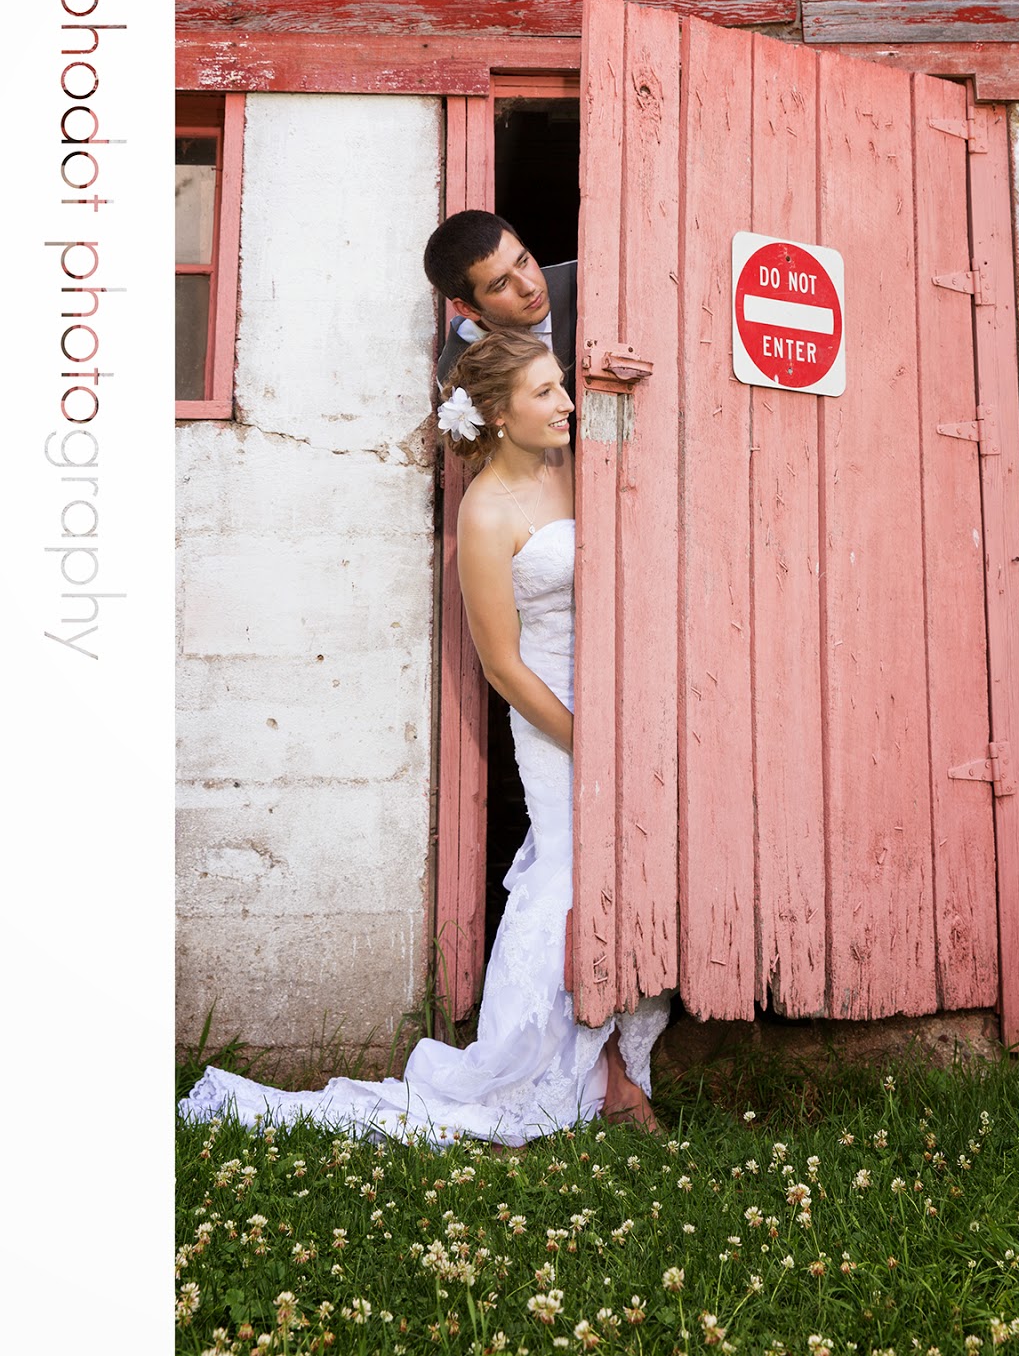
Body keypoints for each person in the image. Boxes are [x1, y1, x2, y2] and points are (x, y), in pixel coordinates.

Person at [179, 331, 669, 1145]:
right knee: (567, 878)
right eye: (545, 392)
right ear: (498, 415)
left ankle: (613, 1063)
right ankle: (544, 1067)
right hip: (554, 717)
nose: (566, 403)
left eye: (560, 386)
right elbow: (502, 664)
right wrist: (590, 742)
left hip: (623, 697)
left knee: (636, 868)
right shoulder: (485, 512)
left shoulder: (580, 461)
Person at [426, 210, 577, 399]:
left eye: (523, 262)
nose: (529, 287)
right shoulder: (458, 376)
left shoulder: (585, 286)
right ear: (468, 308)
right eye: (501, 284)